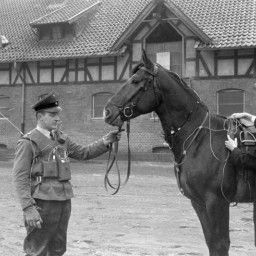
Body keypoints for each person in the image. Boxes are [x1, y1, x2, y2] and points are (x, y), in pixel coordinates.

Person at [12, 92, 121, 256]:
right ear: (40, 116)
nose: (57, 118)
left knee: (58, 248)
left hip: (64, 201)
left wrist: (105, 141)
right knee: (37, 249)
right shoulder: (29, 143)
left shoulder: (63, 139)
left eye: (58, 114)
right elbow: (20, 178)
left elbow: (84, 153)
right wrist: (28, 208)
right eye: (52, 114)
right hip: (42, 202)